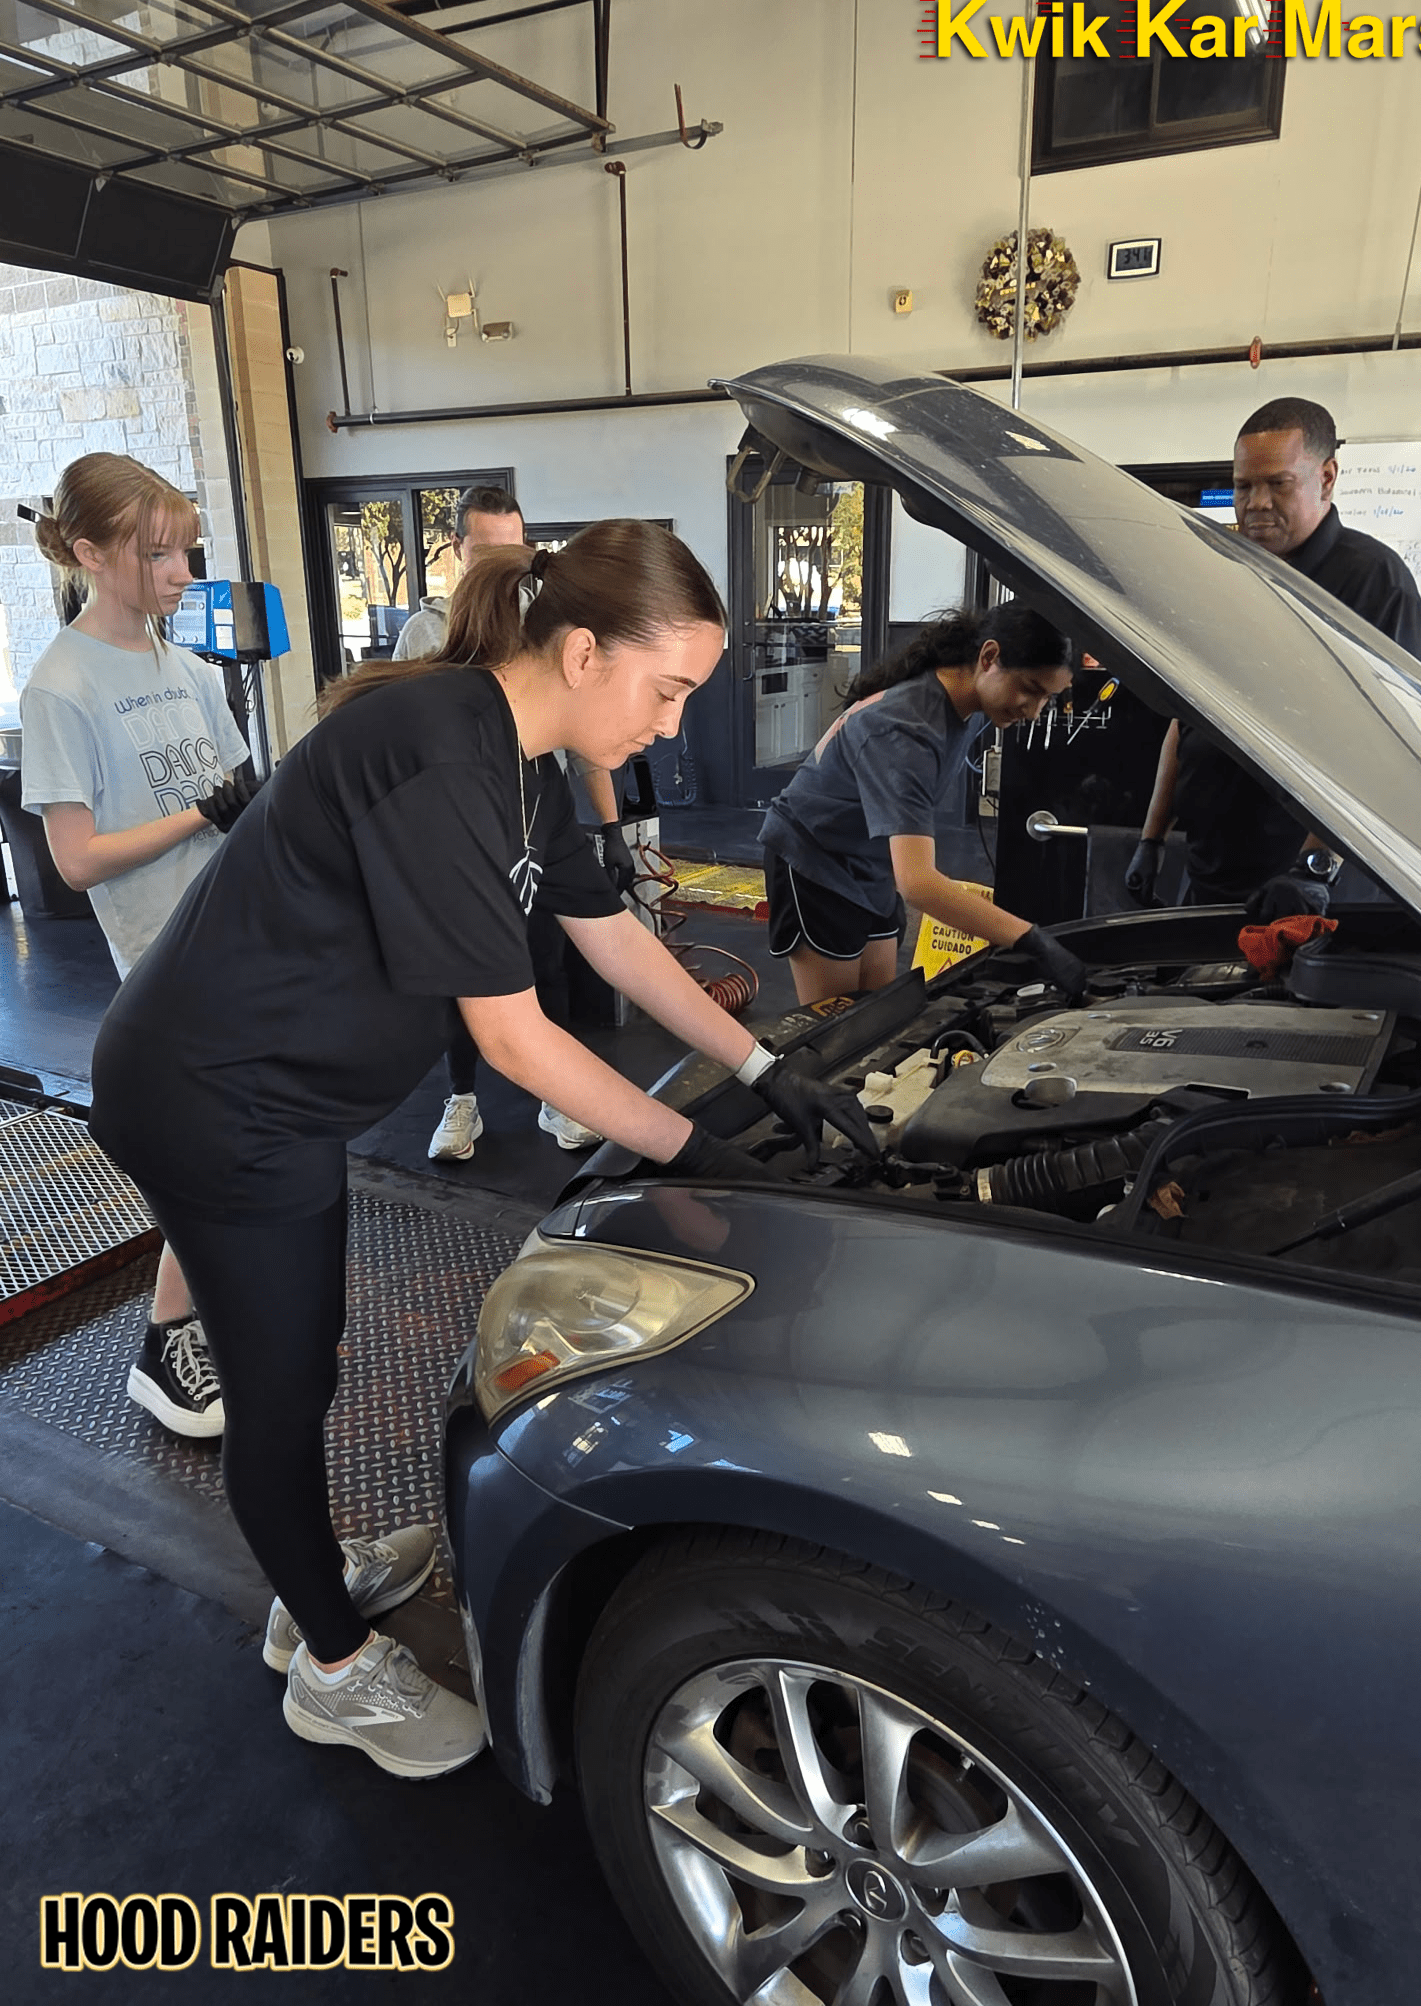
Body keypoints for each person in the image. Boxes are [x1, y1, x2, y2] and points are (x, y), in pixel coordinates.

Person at [88, 523, 877, 1779]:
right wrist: (696, 1152)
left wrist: (766, 1068)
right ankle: (332, 1667)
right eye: (667, 691)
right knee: (280, 1386)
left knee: (306, 1349)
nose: (674, 727)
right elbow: (512, 1041)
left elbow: (610, 934)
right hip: (217, 1101)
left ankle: (317, 1573)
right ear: (580, 651)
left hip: (278, 1100)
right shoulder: (436, 752)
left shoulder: (527, 762)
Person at [20, 454, 253, 1443]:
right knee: (205, 1163)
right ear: (88, 553)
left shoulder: (191, 671)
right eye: (157, 552)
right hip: (162, 966)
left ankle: (199, 1319)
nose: (181, 571)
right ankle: (166, 1342)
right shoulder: (63, 686)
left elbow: (244, 814)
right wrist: (196, 811)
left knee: (239, 1159)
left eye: (186, 550)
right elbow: (75, 861)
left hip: (240, 948)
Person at [394, 486, 637, 1158]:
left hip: (538, 809)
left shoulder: (547, 627)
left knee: (546, 959)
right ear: (458, 550)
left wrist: (611, 828)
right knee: (462, 975)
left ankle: (559, 1101)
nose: (505, 564)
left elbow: (584, 734)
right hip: (459, 827)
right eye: (488, 551)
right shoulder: (426, 634)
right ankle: (461, 1102)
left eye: (516, 550)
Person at [1127, 397, 1421, 913]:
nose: (1257, 503)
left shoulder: (1374, 583)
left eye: (1278, 484)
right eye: (1244, 487)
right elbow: (1186, 721)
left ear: (1327, 478)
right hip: (1209, 871)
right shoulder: (1221, 578)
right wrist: (1152, 838)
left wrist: (1315, 866)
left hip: (1308, 885)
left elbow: (1389, 751)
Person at [758, 602, 1084, 1006]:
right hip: (814, 859)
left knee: (878, 1012)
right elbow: (918, 882)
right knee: (838, 1029)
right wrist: (1030, 938)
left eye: (1048, 699)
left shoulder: (963, 702)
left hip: (871, 862)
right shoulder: (904, 728)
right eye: (1031, 690)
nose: (1035, 712)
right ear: (989, 657)